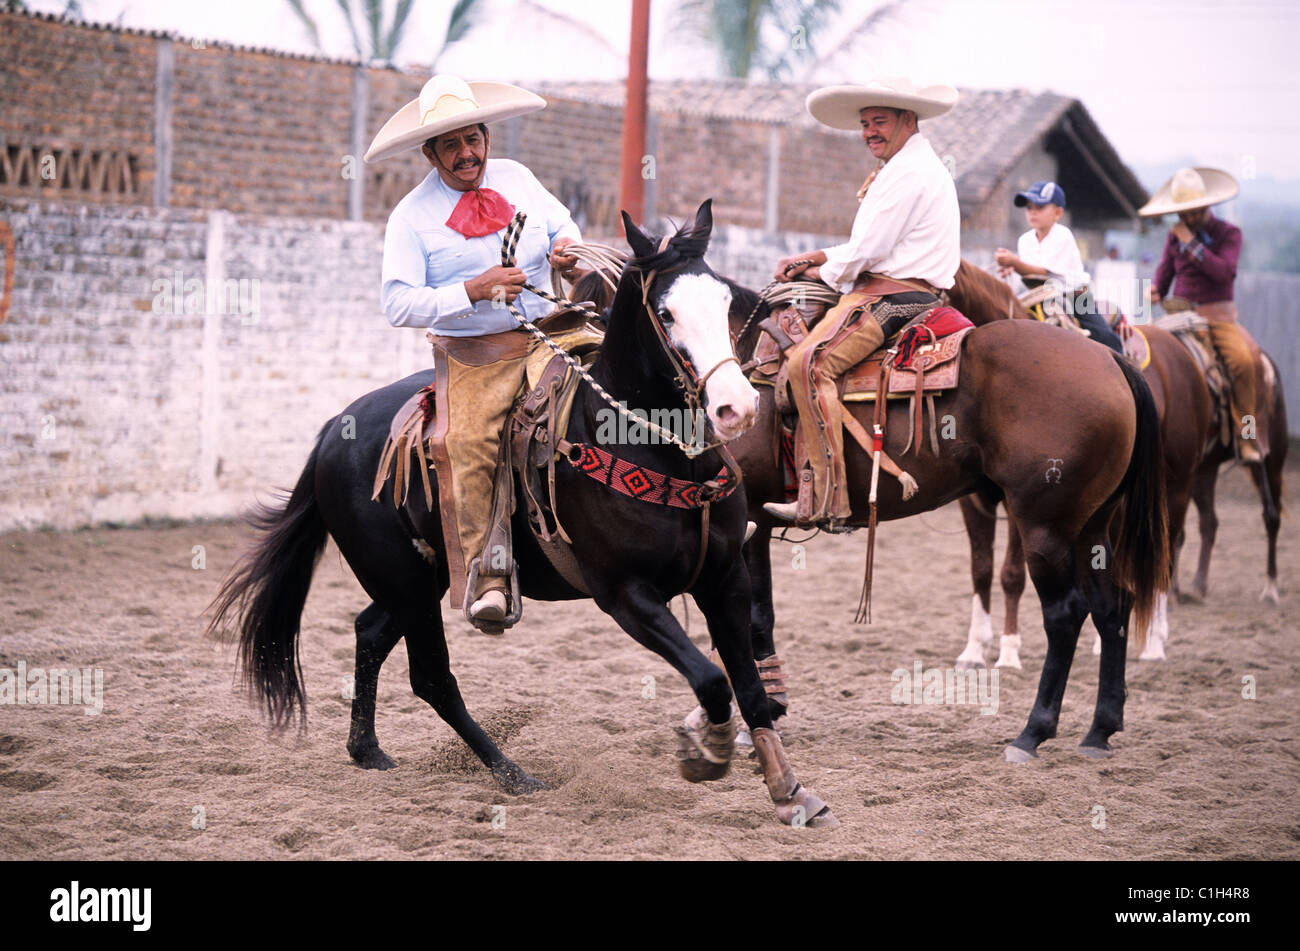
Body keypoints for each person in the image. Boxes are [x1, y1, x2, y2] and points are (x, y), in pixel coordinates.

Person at [365, 74, 582, 626]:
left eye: (473, 138)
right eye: (451, 144)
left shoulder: (519, 178)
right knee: (470, 440)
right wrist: (473, 290)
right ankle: (490, 576)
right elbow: (397, 304)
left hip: (550, 330)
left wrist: (565, 249)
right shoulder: (411, 218)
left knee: (628, 377)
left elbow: (562, 225)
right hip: (477, 354)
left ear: (486, 135)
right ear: (430, 153)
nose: (467, 153)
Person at [764, 77, 961, 529]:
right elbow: (871, 244)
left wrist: (822, 270)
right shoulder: (907, 167)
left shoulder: (908, 172)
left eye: (879, 122)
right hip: (905, 287)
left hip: (893, 296)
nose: (869, 131)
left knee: (807, 366)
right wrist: (818, 257)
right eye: (865, 124)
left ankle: (829, 499)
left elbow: (869, 248)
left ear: (907, 120)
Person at [1142, 167, 1258, 463]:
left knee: (1244, 364)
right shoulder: (1173, 237)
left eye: (1194, 212)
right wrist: (1156, 290)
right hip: (1177, 315)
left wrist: (1191, 244)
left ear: (1207, 206)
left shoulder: (1229, 234)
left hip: (1217, 318)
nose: (1189, 219)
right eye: (1183, 213)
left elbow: (1223, 273)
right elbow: (1164, 274)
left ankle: (1247, 437)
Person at [995, 181, 1123, 353]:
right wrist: (1014, 268)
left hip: (1074, 296)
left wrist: (1015, 263)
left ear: (1057, 213)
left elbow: (1043, 272)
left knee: (1103, 335)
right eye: (1029, 207)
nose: (1033, 212)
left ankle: (1121, 363)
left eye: (1039, 207)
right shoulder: (1024, 240)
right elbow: (1029, 271)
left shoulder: (1062, 235)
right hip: (1037, 296)